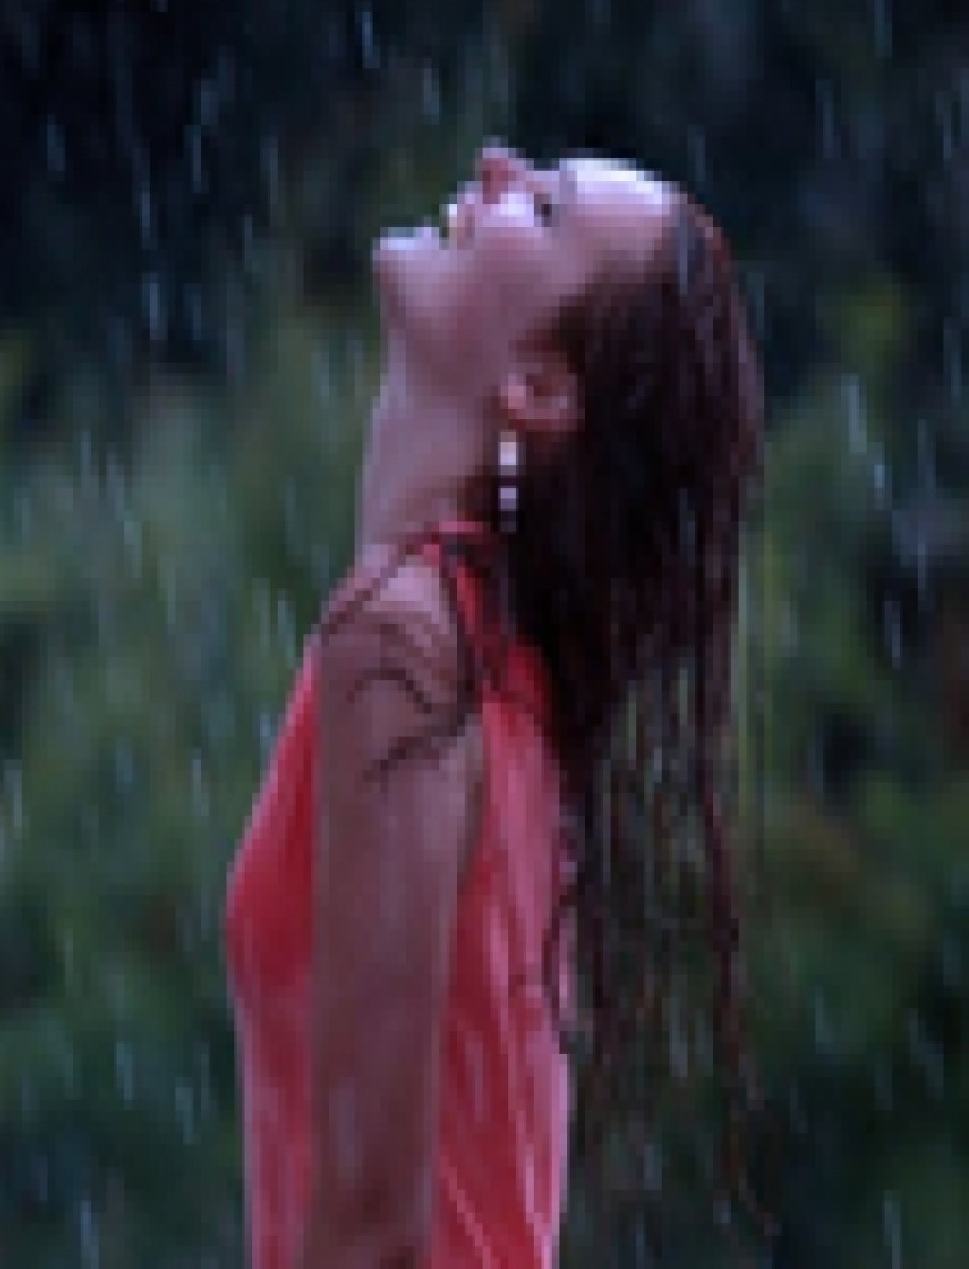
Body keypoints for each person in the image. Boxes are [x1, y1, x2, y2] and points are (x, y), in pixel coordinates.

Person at [224, 143, 763, 1267]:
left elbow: (373, 1229)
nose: (494, 165)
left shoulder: (405, 642)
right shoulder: (493, 670)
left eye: (547, 206)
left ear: (542, 389)